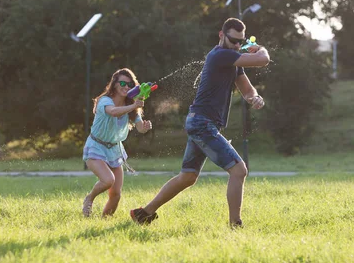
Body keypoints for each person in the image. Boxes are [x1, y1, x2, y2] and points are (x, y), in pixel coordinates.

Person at [130, 18, 269, 227]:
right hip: (203, 123)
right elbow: (263, 59)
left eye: (241, 42)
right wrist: (260, 49)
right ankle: (236, 225)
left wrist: (254, 98)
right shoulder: (219, 55)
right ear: (221, 35)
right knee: (239, 170)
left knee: (188, 177)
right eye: (233, 40)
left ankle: (144, 213)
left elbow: (248, 90)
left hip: (199, 122)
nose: (238, 46)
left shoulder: (232, 59)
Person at [82, 68, 152, 218]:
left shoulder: (131, 104)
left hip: (114, 150)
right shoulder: (105, 101)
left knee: (116, 194)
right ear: (114, 84)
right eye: (122, 83)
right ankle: (90, 198)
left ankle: (104, 223)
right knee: (108, 180)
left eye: (129, 84)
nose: (126, 87)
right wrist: (134, 106)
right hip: (96, 146)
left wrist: (145, 127)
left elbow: (139, 127)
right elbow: (113, 112)